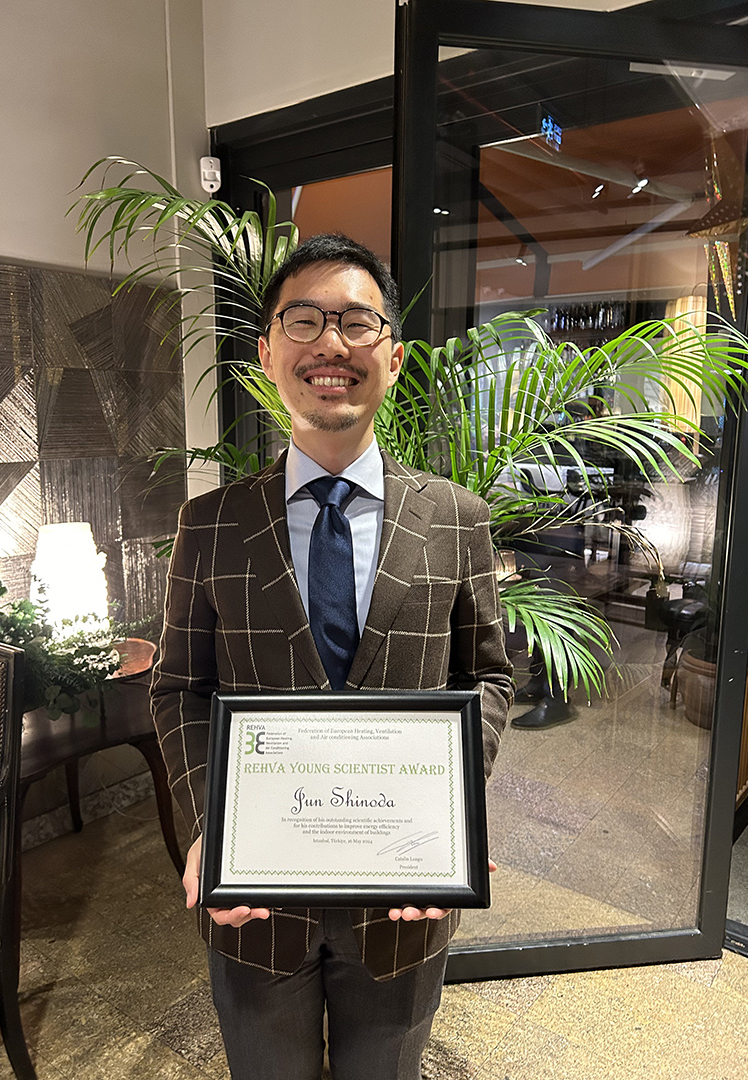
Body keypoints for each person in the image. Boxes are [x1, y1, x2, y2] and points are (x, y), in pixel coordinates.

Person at [150, 232, 514, 1080]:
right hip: (255, 899)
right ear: (269, 352)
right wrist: (210, 826)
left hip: (404, 899)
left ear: (390, 354)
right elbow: (179, 688)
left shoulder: (457, 517)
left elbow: (486, 675)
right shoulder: (211, 522)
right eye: (305, 320)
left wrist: (453, 810)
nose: (330, 344)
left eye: (356, 321)